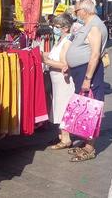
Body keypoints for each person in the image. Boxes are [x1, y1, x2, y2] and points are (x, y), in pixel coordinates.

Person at [63, 0, 108, 162]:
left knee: (91, 106)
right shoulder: (89, 24)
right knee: (83, 107)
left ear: (85, 10)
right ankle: (85, 141)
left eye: (76, 11)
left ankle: (90, 147)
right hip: (80, 70)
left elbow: (95, 54)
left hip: (88, 72)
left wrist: (88, 78)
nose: (76, 14)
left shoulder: (94, 25)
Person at [40, 13, 77, 150]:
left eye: (57, 26)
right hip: (57, 80)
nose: (54, 28)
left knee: (63, 108)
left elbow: (64, 64)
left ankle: (66, 139)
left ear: (65, 28)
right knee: (58, 106)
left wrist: (47, 61)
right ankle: (62, 135)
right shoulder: (60, 40)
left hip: (63, 81)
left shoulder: (67, 42)